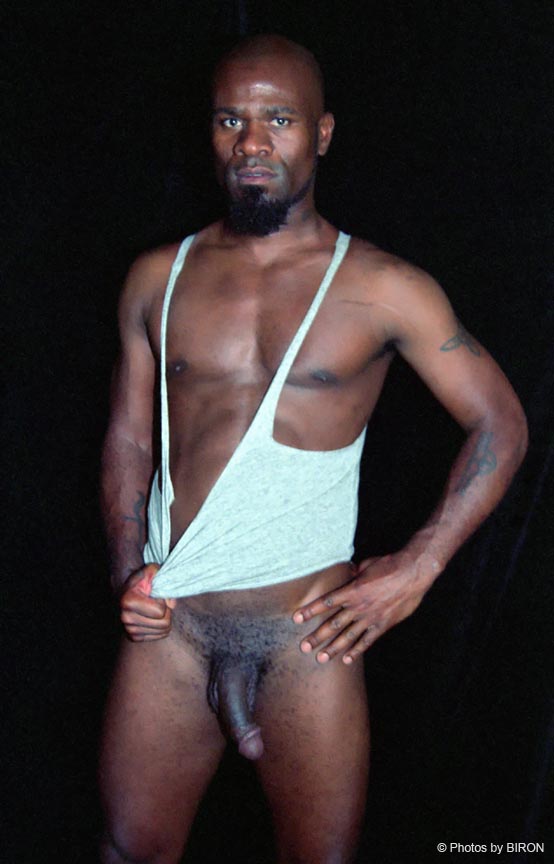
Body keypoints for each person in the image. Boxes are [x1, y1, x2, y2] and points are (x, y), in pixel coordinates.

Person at [99, 34, 528, 864]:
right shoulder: (157, 277)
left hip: (306, 636)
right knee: (129, 849)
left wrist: (420, 566)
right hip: (173, 626)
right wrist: (127, 572)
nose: (251, 143)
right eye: (231, 120)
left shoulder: (385, 287)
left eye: (280, 120)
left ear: (322, 133)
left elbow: (501, 423)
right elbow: (127, 435)